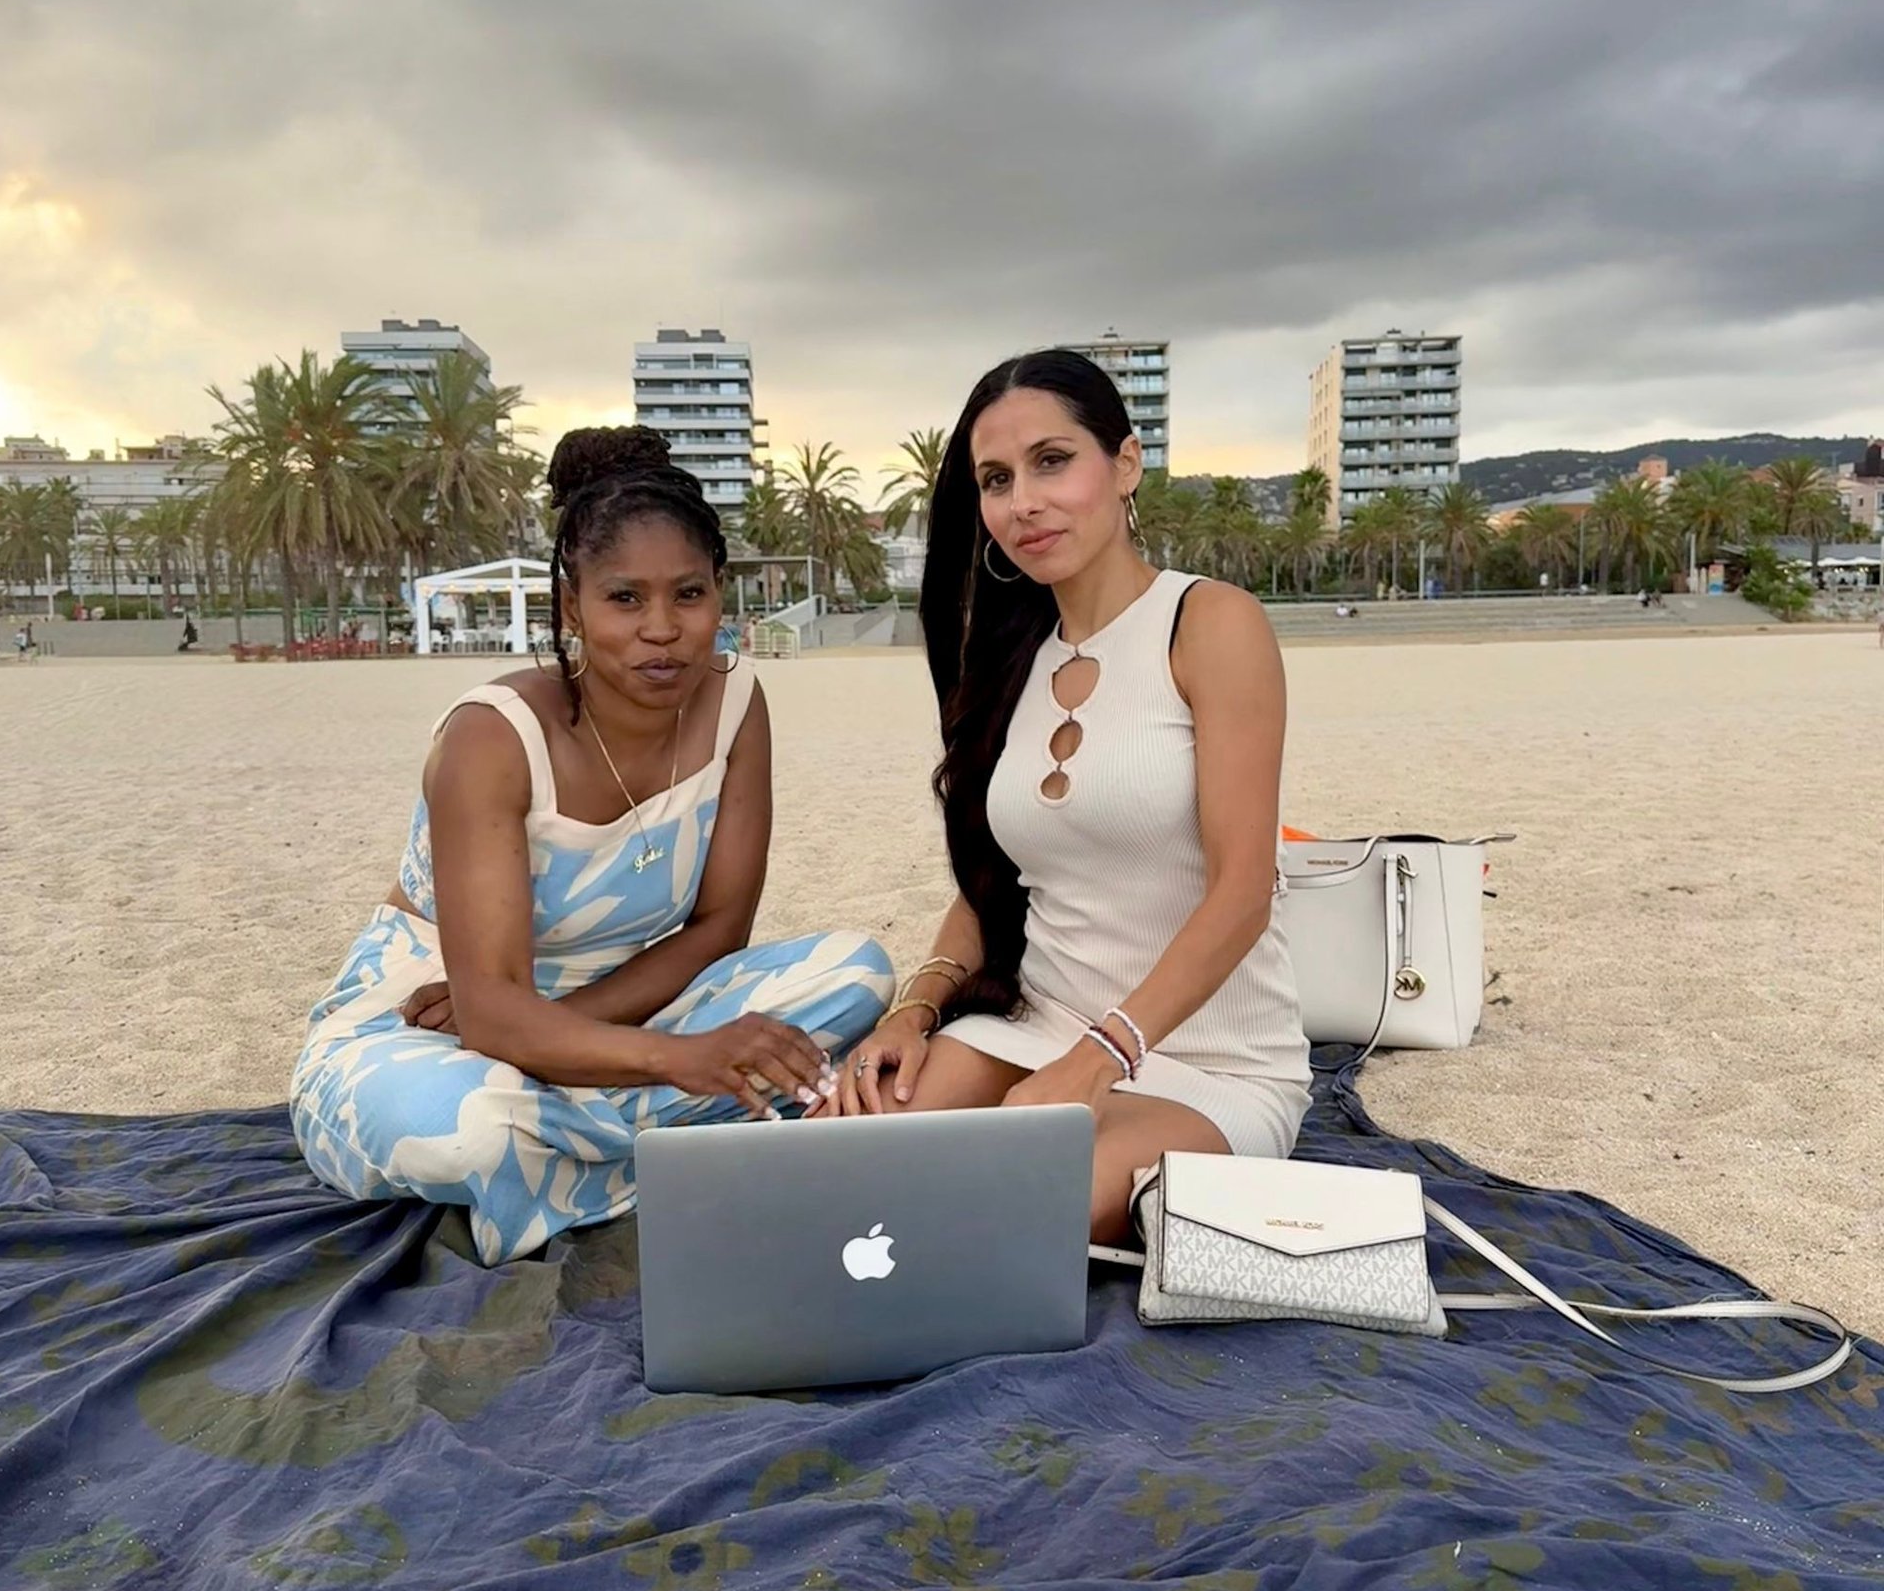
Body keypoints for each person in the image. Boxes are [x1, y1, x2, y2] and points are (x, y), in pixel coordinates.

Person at [290, 426, 893, 1264]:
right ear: (572, 605)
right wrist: (678, 1060)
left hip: (614, 1006)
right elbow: (490, 1005)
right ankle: (693, 1147)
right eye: (624, 598)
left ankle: (591, 1147)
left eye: (688, 595)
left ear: (721, 594)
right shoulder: (490, 738)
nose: (662, 629)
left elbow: (719, 929)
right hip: (430, 1027)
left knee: (858, 970)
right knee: (466, 1127)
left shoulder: (736, 702)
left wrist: (560, 1034)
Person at [819, 351, 1311, 1242]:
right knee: (825, 1165)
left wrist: (1104, 1057)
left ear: (1124, 465)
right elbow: (992, 881)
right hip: (1033, 1025)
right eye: (996, 479)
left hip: (1205, 1061)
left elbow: (1245, 889)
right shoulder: (1009, 659)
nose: (1023, 502)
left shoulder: (1209, 623)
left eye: (1053, 461)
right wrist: (916, 1009)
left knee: (993, 1212)